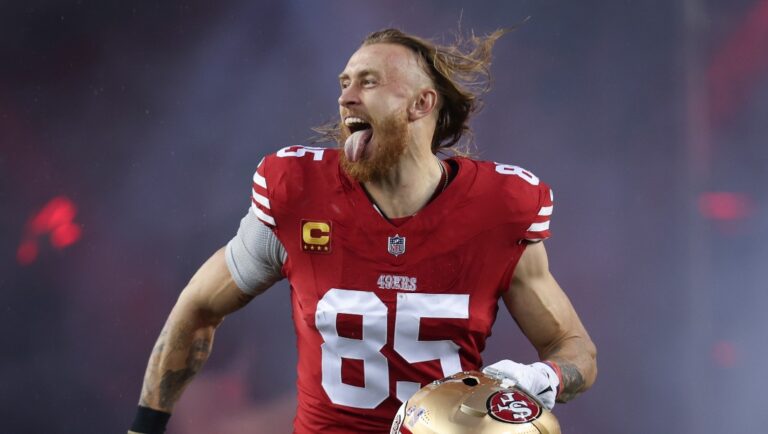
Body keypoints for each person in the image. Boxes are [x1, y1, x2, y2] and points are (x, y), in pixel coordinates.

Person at [129, 28, 597, 434]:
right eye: (345, 83)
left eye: (368, 83)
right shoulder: (299, 193)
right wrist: (145, 428)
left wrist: (548, 377)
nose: (346, 97)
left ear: (421, 103)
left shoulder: (499, 208)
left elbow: (574, 348)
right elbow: (198, 306)